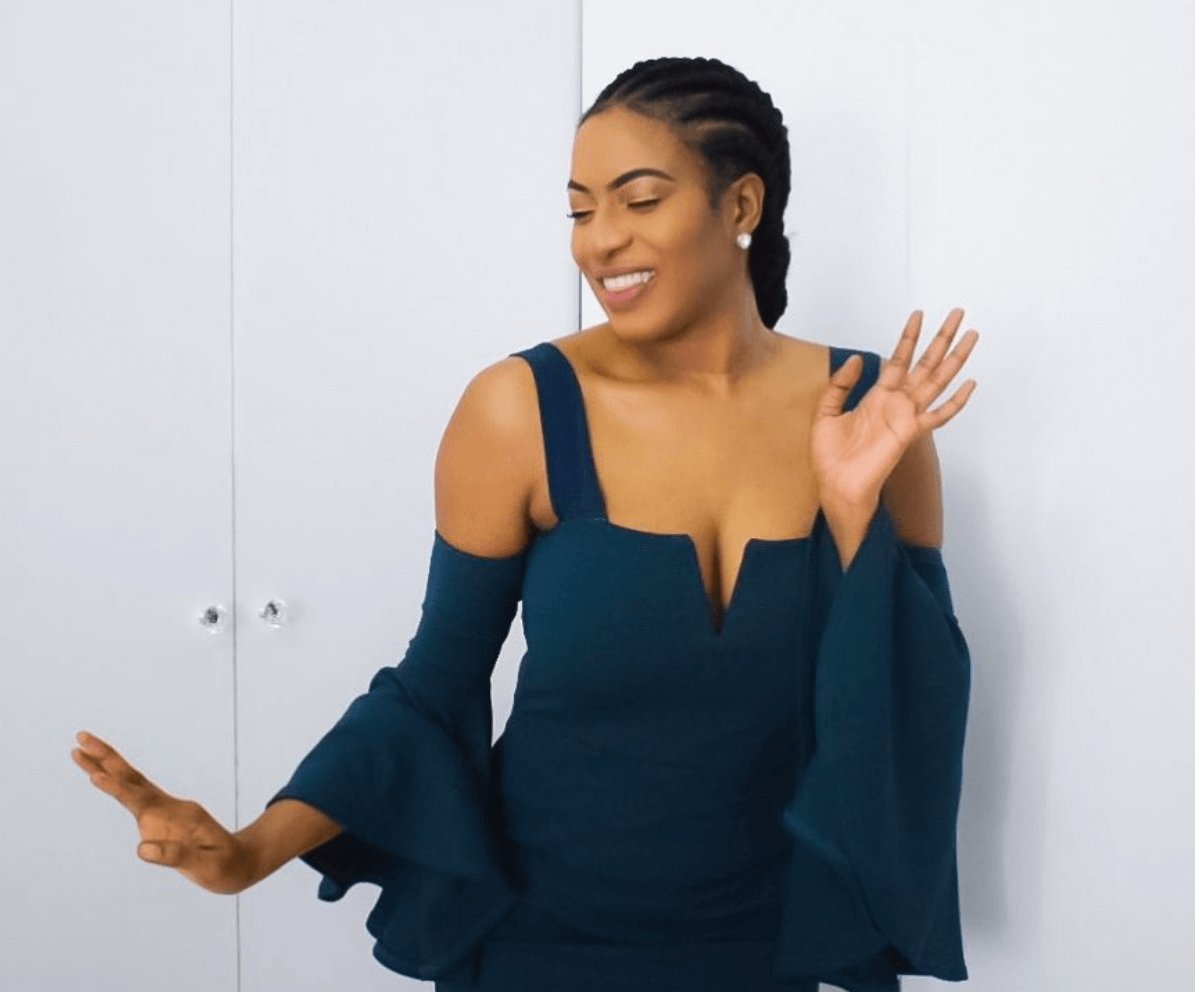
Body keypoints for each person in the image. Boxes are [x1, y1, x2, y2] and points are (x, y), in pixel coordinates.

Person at [71, 55, 978, 992]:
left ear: (741, 204)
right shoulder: (521, 408)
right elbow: (434, 687)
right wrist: (252, 849)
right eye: (581, 211)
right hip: (540, 942)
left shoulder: (871, 416)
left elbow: (911, 715)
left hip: (774, 948)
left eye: (639, 200)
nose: (601, 243)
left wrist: (853, 518)